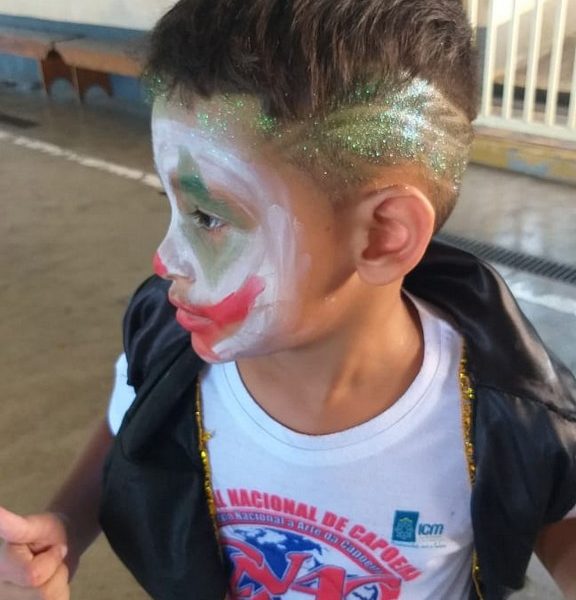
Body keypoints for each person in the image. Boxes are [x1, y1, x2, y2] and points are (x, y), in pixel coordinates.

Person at [1, 0, 575, 598]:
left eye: (208, 217)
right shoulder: (167, 341)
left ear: (383, 236)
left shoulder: (506, 419)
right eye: (171, 207)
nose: (165, 260)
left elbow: (558, 513)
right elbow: (129, 421)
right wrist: (66, 527)